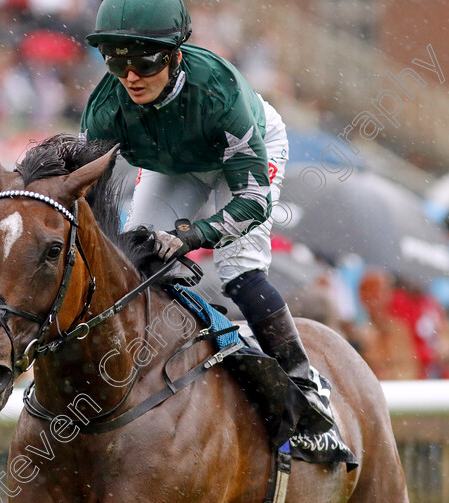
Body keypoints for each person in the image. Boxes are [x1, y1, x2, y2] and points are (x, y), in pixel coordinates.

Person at [80, 0, 333, 433]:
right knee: (137, 257)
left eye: (142, 61)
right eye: (115, 62)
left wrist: (192, 235)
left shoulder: (222, 96)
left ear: (175, 56)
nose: (130, 78)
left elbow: (252, 204)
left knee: (240, 270)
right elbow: (84, 194)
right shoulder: (105, 106)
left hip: (243, 155)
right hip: (175, 162)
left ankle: (304, 385)